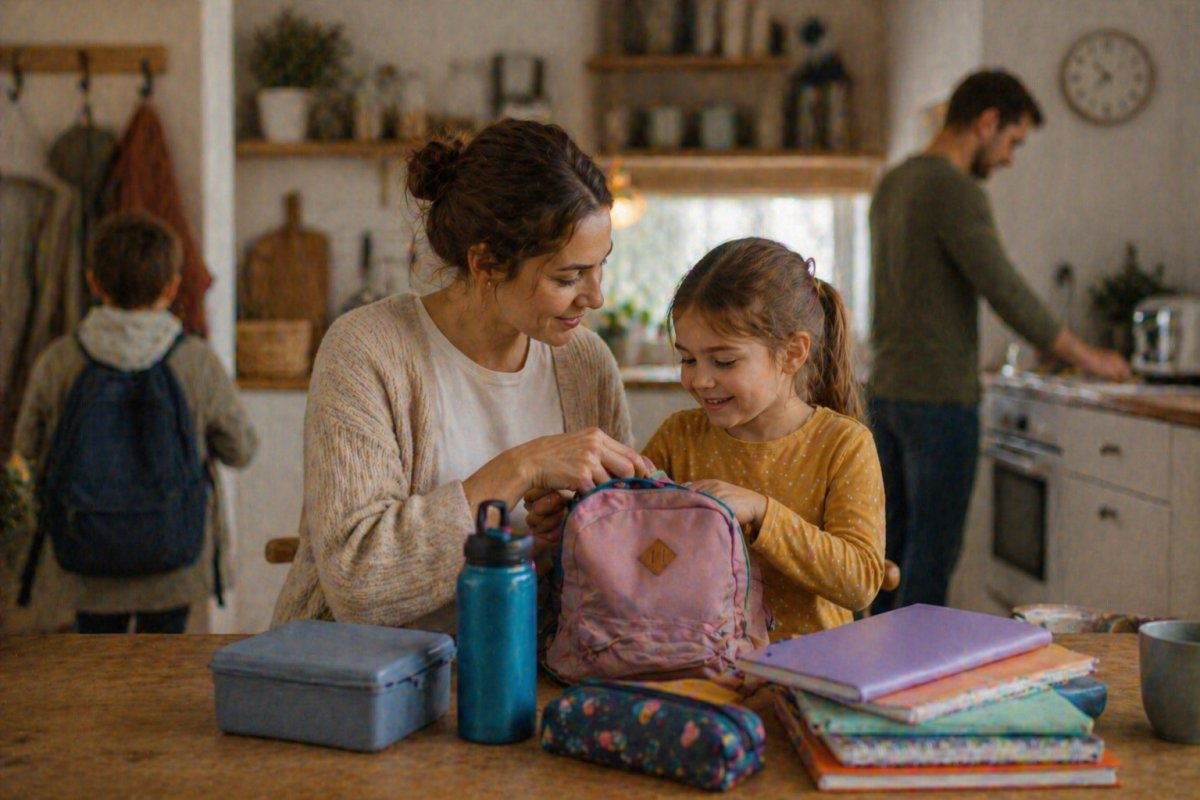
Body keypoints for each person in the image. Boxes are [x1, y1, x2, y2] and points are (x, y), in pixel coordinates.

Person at [271, 118, 647, 632]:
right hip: (367, 685)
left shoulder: (587, 363)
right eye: (568, 277)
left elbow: (617, 565)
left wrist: (574, 529)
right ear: (487, 263)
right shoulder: (367, 349)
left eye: (599, 266)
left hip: (529, 671)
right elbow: (358, 584)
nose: (595, 297)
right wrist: (521, 468)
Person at [868, 70, 1130, 614]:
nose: (1010, 158)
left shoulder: (895, 181)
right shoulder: (952, 187)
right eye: (1013, 141)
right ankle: (914, 685)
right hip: (939, 399)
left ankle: (875, 680)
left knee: (890, 555)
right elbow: (1004, 288)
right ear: (987, 122)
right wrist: (1090, 358)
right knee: (931, 561)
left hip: (888, 393)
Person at [12, 212, 257, 633]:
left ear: (94, 282)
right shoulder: (196, 361)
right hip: (174, 560)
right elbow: (241, 450)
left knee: (98, 679)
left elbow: (26, 449)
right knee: (159, 677)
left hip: (84, 557)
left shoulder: (60, 360)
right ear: (172, 286)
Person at [637, 237, 885, 640]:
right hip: (699, 671)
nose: (699, 379)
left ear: (792, 353)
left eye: (724, 361)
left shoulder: (843, 445)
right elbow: (639, 553)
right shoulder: (677, 438)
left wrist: (763, 513)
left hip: (812, 674)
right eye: (687, 359)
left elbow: (859, 582)